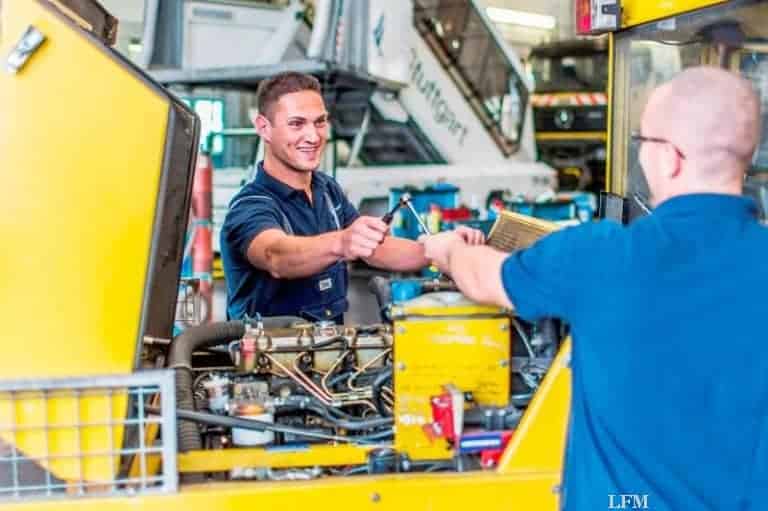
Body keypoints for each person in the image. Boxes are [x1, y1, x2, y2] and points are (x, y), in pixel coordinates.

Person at [423, 66, 767, 510]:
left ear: (671, 158)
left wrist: (447, 248)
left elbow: (482, 276)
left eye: (642, 143)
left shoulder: (600, 256)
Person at [221, 72, 483, 322]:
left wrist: (439, 248)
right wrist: (342, 242)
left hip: (330, 357)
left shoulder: (327, 190)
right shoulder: (250, 205)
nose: (313, 136)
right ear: (264, 128)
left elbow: (376, 249)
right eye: (296, 124)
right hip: (269, 365)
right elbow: (276, 255)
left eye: (320, 122)